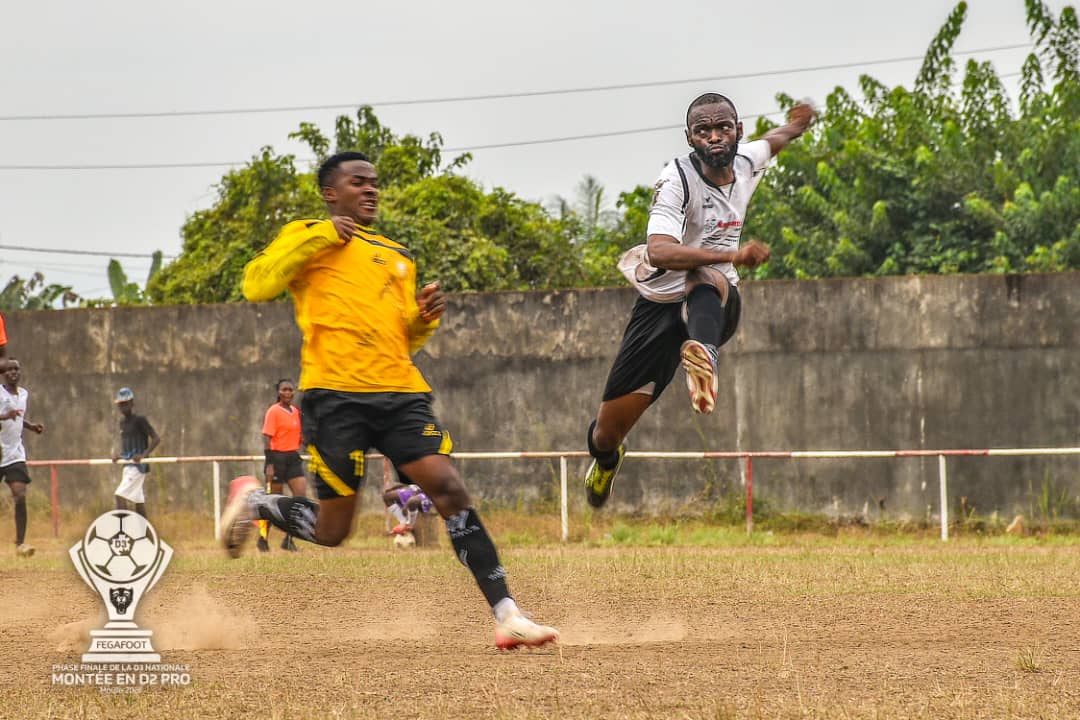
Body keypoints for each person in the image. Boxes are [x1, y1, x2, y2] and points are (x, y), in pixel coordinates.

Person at [221, 151, 558, 649]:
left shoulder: (396, 256)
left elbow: (404, 340)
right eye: (358, 182)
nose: (370, 190)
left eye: (374, 183)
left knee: (449, 490)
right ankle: (257, 502)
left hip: (401, 394)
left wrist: (423, 317)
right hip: (334, 397)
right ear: (331, 193)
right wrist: (322, 235)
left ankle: (506, 612)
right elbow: (256, 284)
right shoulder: (307, 234)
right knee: (335, 530)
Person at [583, 93, 815, 509]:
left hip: (714, 303)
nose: (714, 137)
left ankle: (702, 355)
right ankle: (606, 460)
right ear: (689, 138)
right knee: (605, 433)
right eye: (703, 130)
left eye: (723, 127)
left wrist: (798, 124)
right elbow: (658, 252)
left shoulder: (747, 162)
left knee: (703, 277)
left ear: (738, 131)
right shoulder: (677, 179)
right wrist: (733, 254)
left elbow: (775, 139)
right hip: (658, 306)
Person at [256, 379, 307, 553]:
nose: (288, 393)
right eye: (284, 390)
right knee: (273, 502)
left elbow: (300, 437)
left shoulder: (296, 412)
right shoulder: (273, 411)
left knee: (300, 498)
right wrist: (269, 462)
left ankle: (289, 539)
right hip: (276, 458)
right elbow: (267, 436)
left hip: (292, 457)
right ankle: (263, 538)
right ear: (278, 392)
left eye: (291, 390)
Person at [0, 359, 44, 556]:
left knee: (20, 494)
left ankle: (20, 544)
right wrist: (4, 417)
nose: (13, 372)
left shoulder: (24, 394)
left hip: (14, 453)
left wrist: (30, 425)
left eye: (16, 369)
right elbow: (8, 415)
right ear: (3, 374)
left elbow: (17, 415)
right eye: (8, 370)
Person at [110, 387, 161, 518]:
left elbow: (156, 439)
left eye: (125, 403)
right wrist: (119, 456)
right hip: (127, 466)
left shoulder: (140, 420)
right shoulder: (122, 423)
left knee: (120, 495)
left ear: (132, 403)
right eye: (120, 404)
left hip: (137, 466)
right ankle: (145, 534)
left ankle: (123, 531)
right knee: (138, 500)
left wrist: (144, 455)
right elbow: (128, 447)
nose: (122, 407)